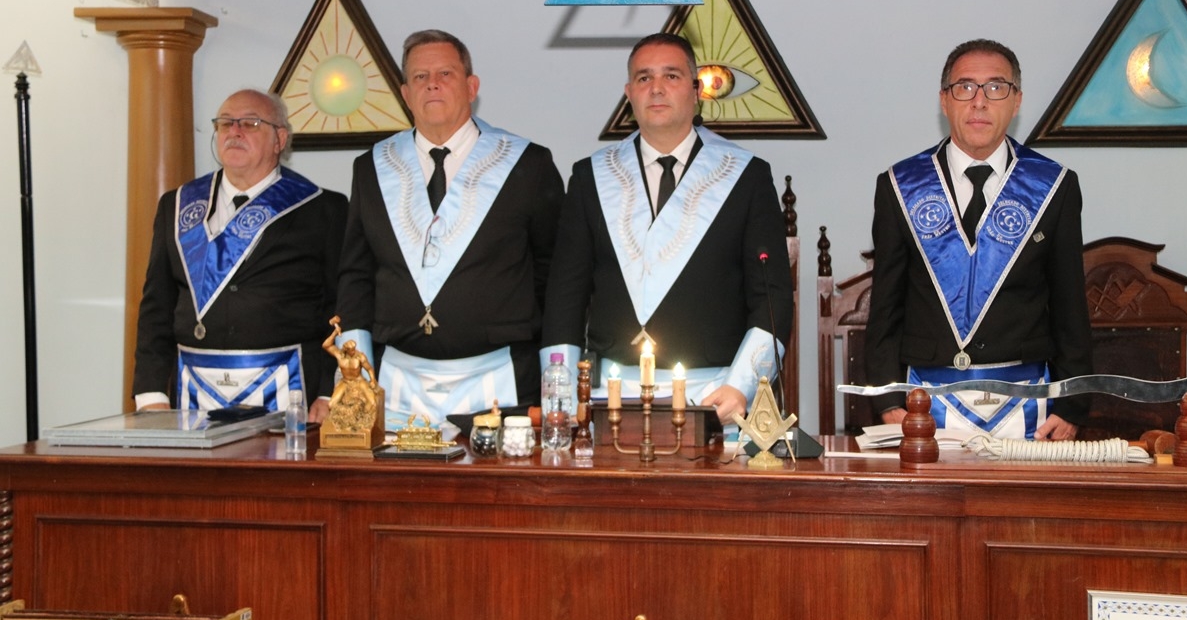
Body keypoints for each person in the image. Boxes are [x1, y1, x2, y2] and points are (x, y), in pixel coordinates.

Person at [541, 32, 793, 425]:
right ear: (629, 94)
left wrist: (741, 386)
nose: (656, 88)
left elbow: (771, 296)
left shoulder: (747, 176)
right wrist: (561, 389)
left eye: (671, 76)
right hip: (612, 393)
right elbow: (565, 295)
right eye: (644, 78)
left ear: (696, 90)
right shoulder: (591, 177)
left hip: (714, 393)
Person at [334, 29, 564, 431]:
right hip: (396, 381)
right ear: (406, 94)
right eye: (420, 77)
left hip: (500, 378)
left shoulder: (528, 164)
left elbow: (553, 273)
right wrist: (353, 374)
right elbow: (356, 275)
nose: (432, 84)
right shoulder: (371, 168)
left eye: (445, 73)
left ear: (472, 87)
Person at [864, 39, 1092, 440]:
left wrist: (1072, 405)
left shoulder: (1054, 186)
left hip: (1028, 406)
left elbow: (1069, 304)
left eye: (996, 87)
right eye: (965, 87)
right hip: (923, 403)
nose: (980, 101)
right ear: (944, 100)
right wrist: (887, 401)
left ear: (1016, 101)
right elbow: (885, 305)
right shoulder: (900, 185)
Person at [133, 89, 348, 413]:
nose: (234, 131)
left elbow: (340, 307)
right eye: (225, 123)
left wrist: (331, 392)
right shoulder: (177, 206)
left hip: (289, 389)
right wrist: (151, 394)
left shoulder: (323, 209)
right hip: (191, 390)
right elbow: (157, 306)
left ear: (279, 139)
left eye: (249, 123)